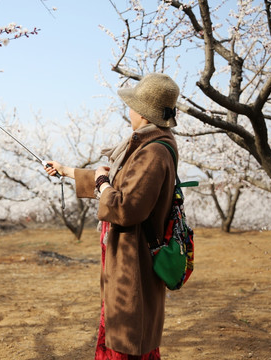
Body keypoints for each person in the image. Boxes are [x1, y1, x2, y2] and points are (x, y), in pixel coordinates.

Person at [45, 73, 180, 360]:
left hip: (135, 262)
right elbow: (115, 183)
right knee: (123, 331)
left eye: (132, 106)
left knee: (129, 340)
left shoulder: (153, 153)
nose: (128, 111)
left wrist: (102, 184)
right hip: (125, 259)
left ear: (143, 113)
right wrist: (66, 170)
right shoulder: (144, 146)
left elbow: (125, 207)